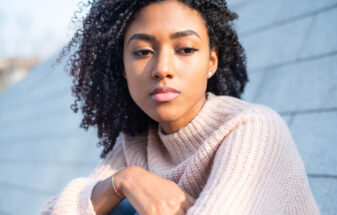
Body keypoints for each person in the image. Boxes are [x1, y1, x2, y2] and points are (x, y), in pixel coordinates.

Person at [41, 0, 320, 214]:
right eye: (142, 52)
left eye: (185, 49)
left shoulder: (253, 129)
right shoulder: (135, 145)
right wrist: (124, 179)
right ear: (123, 68)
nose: (162, 69)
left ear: (211, 62)